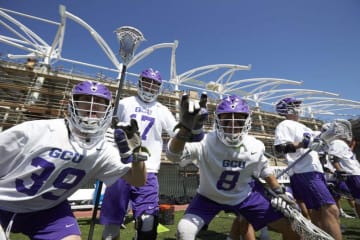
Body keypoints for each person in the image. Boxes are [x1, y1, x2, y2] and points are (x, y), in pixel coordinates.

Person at [0, 81, 147, 240]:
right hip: (4, 201)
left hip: (48, 209)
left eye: (99, 103)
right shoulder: (37, 131)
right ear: (72, 105)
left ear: (108, 111)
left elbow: (138, 180)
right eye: (86, 100)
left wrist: (137, 154)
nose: (92, 107)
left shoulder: (103, 149)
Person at [167, 94, 300, 240]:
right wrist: (184, 130)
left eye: (238, 120)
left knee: (292, 226)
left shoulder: (254, 145)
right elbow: (173, 155)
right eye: (227, 120)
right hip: (208, 196)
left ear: (247, 121)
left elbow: (264, 169)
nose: (232, 125)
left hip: (244, 197)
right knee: (184, 231)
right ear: (218, 121)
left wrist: (278, 191)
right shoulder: (205, 141)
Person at [100, 68, 177, 240]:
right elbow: (106, 126)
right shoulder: (124, 103)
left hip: (147, 170)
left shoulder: (162, 110)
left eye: (154, 84)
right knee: (111, 228)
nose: (150, 86)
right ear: (140, 82)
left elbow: (175, 133)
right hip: (120, 169)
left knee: (147, 224)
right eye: (147, 81)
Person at [273, 97, 342, 240]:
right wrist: (303, 144)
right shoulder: (285, 124)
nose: (299, 107)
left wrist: (326, 136)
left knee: (317, 212)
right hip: (304, 172)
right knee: (331, 209)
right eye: (295, 105)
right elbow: (279, 148)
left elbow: (318, 144)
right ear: (286, 108)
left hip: (315, 171)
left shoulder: (304, 127)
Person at [326, 119, 360, 218]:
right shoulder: (337, 142)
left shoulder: (341, 143)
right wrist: (340, 170)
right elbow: (333, 157)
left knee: (358, 199)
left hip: (355, 173)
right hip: (353, 174)